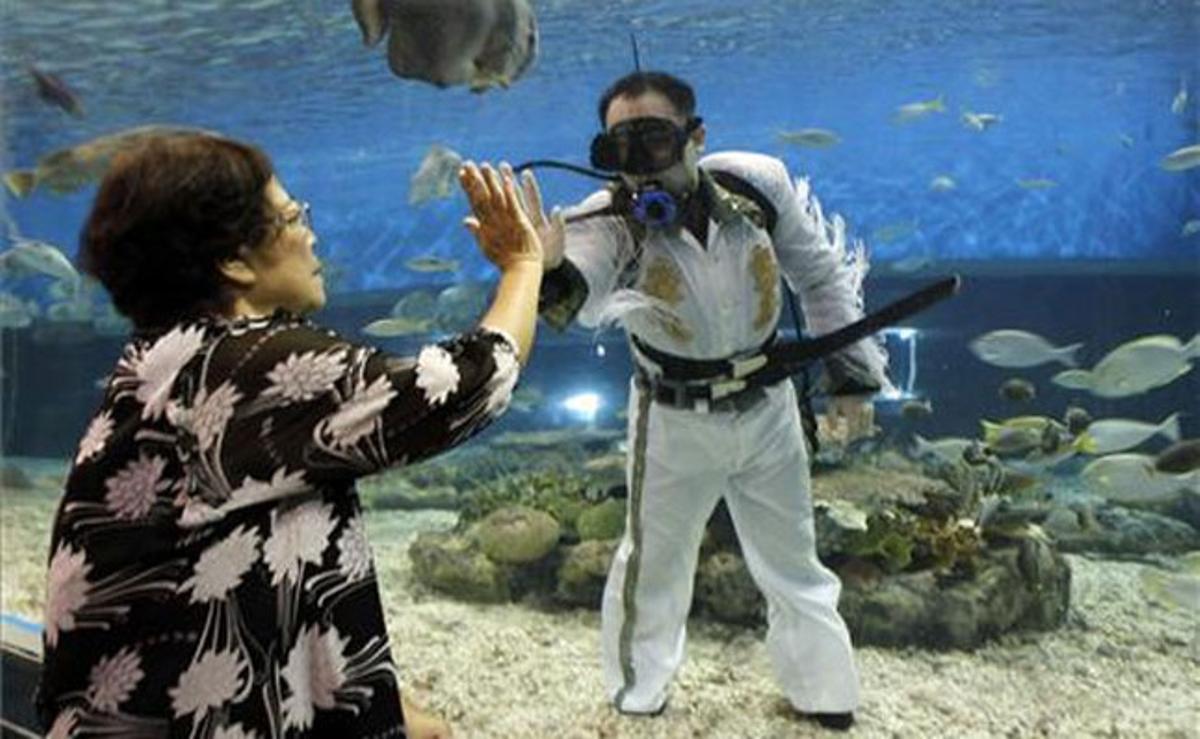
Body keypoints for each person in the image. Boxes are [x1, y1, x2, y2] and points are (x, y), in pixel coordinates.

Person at [36, 132, 543, 737]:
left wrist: (375, 702)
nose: (310, 234)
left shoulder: (164, 363)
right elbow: (462, 386)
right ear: (234, 260)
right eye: (293, 217)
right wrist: (523, 265)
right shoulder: (239, 363)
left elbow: (253, 563)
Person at [525, 71, 891, 730]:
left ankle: (826, 693)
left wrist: (851, 379)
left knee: (793, 559)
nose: (639, 166)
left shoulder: (757, 185)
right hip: (671, 421)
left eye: (654, 141)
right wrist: (544, 268)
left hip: (769, 410)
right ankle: (639, 694)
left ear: (697, 136)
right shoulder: (609, 221)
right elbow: (576, 293)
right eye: (617, 149)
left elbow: (819, 276)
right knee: (653, 565)